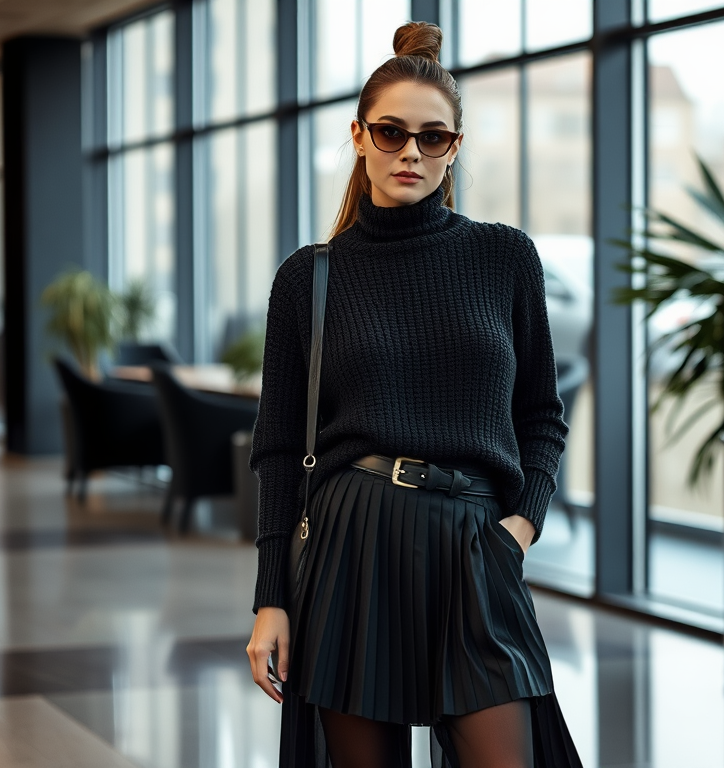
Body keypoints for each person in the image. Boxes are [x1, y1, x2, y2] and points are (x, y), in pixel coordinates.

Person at [246, 21, 582, 768]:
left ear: (454, 147)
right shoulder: (309, 278)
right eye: (393, 132)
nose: (410, 152)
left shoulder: (505, 257)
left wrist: (518, 528)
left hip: (476, 547)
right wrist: (272, 597)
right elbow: (276, 450)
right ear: (359, 134)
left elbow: (541, 419)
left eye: (433, 138)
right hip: (351, 546)